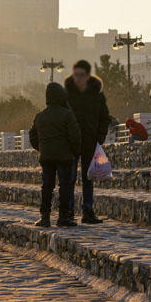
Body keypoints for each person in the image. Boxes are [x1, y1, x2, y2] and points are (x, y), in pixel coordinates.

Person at [28, 82, 82, 228]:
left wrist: (41, 149)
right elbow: (75, 137)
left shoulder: (40, 116)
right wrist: (73, 151)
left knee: (47, 186)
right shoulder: (67, 115)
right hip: (64, 157)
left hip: (46, 157)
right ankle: (63, 217)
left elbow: (32, 136)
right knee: (64, 186)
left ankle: (44, 217)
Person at [64, 59, 110, 224]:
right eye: (75, 75)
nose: (78, 78)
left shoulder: (96, 95)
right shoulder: (67, 95)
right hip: (71, 143)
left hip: (90, 142)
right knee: (69, 178)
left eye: (81, 75)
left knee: (88, 177)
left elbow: (105, 117)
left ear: (88, 76)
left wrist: (100, 137)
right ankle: (68, 212)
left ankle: (88, 211)